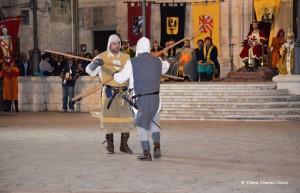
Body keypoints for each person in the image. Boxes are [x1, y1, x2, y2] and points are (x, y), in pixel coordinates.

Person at [113, 37, 170, 161]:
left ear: (138, 47)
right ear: (149, 48)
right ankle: (157, 146)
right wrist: (156, 59)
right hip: (155, 98)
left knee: (142, 125)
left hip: (140, 99)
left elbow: (121, 78)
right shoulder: (158, 61)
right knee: (154, 120)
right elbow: (167, 66)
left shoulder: (132, 62)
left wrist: (114, 74)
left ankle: (146, 152)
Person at [86, 34, 134, 154]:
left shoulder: (126, 57)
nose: (116, 45)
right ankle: (110, 145)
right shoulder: (101, 57)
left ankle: (124, 145)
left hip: (123, 93)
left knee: (126, 120)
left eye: (118, 43)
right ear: (109, 44)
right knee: (108, 121)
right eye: (114, 43)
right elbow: (89, 70)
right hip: (109, 93)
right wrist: (96, 64)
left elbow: (132, 74)